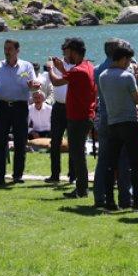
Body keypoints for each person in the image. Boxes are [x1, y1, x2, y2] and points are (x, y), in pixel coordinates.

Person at [93, 40, 138, 211]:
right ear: (123, 58)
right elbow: (137, 98)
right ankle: (134, 202)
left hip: (112, 122)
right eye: (128, 60)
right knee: (134, 164)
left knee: (110, 164)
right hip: (129, 122)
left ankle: (109, 201)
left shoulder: (101, 75)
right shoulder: (127, 76)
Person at [0, 39, 39, 187]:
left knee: (21, 142)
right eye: (5, 48)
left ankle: (17, 176)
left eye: (9, 49)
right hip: (1, 106)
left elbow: (34, 86)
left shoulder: (27, 66)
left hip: (20, 107)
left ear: (17, 50)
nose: (7, 51)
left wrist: (33, 86)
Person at [47, 37, 97, 199]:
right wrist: (62, 68)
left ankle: (81, 189)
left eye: (66, 51)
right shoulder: (88, 66)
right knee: (78, 153)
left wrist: (50, 69)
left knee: (77, 155)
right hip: (86, 115)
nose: (64, 54)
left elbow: (56, 82)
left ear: (73, 51)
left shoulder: (77, 71)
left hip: (78, 118)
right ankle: (80, 187)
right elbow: (71, 77)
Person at [41, 56, 71, 182]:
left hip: (71, 106)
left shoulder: (76, 67)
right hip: (58, 106)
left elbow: (56, 80)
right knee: (55, 141)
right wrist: (50, 66)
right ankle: (55, 174)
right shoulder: (56, 65)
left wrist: (51, 68)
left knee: (73, 142)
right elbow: (47, 79)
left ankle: (73, 174)